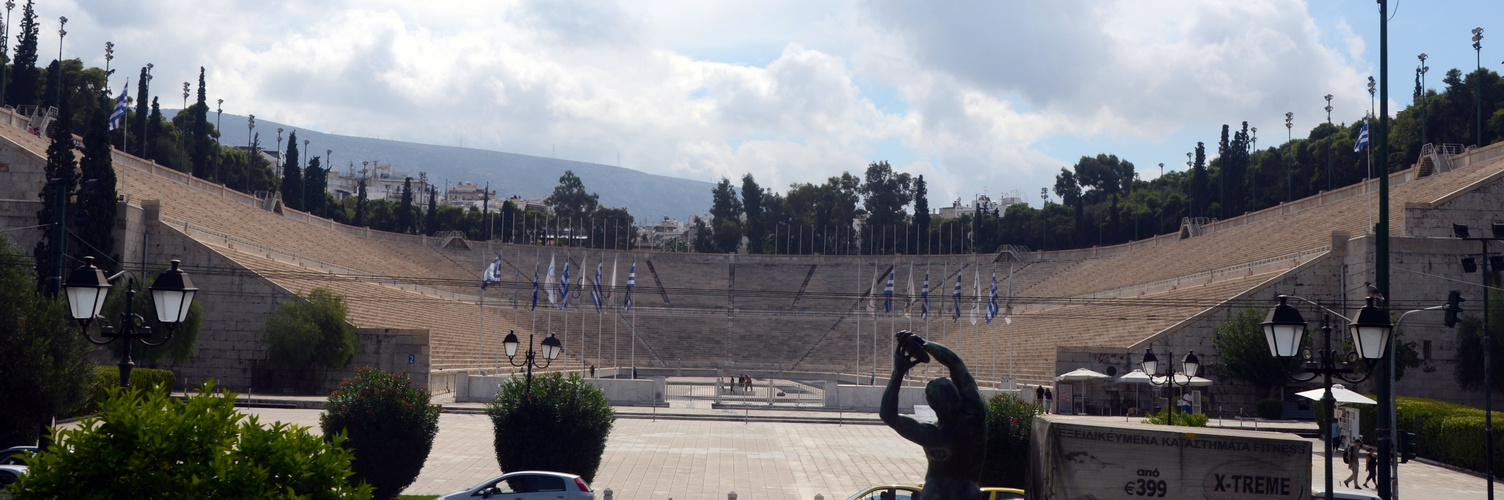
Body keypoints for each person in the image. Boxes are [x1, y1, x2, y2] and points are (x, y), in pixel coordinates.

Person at [880, 331, 986, 500]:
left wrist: (899, 371)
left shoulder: (933, 436)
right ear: (958, 395)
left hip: (935, 494)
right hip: (968, 493)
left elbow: (887, 415)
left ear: (932, 406)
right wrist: (925, 344)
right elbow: (956, 363)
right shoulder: (976, 415)